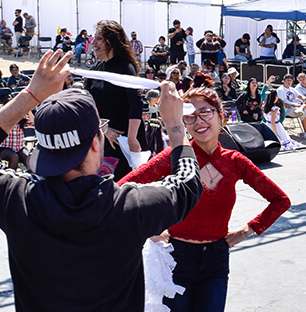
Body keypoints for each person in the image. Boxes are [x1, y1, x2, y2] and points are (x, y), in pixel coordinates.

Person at [0, 50, 203, 311]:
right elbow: (188, 181)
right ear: (96, 144)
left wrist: (31, 96)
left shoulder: (16, 199)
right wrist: (175, 126)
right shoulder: (131, 207)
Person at [119, 87, 290, 312]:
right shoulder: (175, 156)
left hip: (216, 261)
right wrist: (151, 229)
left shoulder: (235, 161)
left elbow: (280, 200)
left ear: (221, 116)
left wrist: (246, 230)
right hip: (175, 259)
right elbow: (121, 191)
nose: (198, 121)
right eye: (189, 115)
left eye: (205, 112)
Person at [86, 20, 146, 181]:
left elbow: (136, 102)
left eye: (98, 38)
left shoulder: (125, 68)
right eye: (94, 38)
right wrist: (104, 130)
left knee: (126, 188)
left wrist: (132, 139)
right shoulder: (95, 71)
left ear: (110, 41)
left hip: (127, 142)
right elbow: (87, 107)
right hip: (105, 139)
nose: (94, 42)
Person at [263, 83, 303, 151]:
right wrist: (275, 134)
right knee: (283, 139)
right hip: (276, 125)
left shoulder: (264, 108)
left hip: (267, 125)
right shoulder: (274, 109)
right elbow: (273, 122)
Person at [276, 74, 306, 140]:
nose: (289, 82)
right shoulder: (280, 90)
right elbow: (281, 104)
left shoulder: (292, 89)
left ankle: (300, 109)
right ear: (284, 81)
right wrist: (294, 105)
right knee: (302, 112)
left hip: (296, 106)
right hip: (287, 109)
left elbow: (300, 96)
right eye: (287, 80)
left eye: (290, 80)